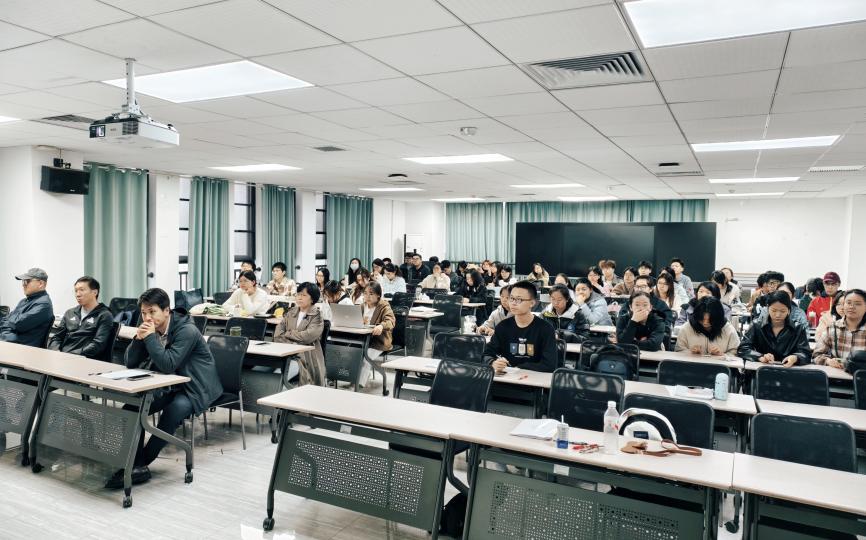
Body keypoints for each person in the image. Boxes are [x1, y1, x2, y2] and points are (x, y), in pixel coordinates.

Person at [109, 288, 222, 488]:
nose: (147, 317)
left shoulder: (186, 330)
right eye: (144, 312)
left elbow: (168, 364)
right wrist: (138, 339)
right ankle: (135, 464)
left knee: (173, 411)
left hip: (194, 386)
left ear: (167, 310)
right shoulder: (150, 327)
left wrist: (150, 338)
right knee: (133, 408)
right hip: (170, 384)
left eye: (152, 312)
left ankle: (141, 463)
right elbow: (130, 362)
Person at [483, 281, 558, 372]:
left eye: (519, 300)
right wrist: (492, 362)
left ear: (532, 303)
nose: (513, 303)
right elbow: (486, 354)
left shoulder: (546, 329)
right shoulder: (503, 327)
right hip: (507, 377)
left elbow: (549, 364)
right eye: (511, 298)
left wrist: (519, 368)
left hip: (534, 378)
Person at [737, 291, 811, 367]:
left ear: (789, 311)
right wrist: (760, 356)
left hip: (789, 370)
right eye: (774, 310)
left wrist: (795, 358)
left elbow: (806, 353)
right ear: (768, 309)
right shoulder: (757, 325)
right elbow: (743, 348)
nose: (778, 315)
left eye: (782, 311)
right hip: (761, 369)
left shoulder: (798, 328)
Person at [48, 276, 115, 359]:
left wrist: (72, 356)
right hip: (63, 357)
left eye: (82, 290)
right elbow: (57, 337)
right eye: (76, 291)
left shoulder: (104, 315)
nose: (78, 294)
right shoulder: (70, 313)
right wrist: (56, 351)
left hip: (85, 359)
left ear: (95, 292)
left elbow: (98, 344)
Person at [273, 282, 326, 386]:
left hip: (304, 357)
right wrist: (293, 342)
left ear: (312, 299)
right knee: (263, 370)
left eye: (304, 295)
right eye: (298, 294)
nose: (299, 297)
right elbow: (278, 334)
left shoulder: (317, 316)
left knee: (278, 378)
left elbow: (307, 337)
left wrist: (289, 333)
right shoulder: (291, 312)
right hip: (285, 353)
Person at [813, 289, 866, 369]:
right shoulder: (832, 328)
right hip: (837, 375)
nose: (851, 307)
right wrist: (828, 361)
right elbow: (816, 355)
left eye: (857, 304)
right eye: (848, 303)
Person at [0, 268, 54, 347]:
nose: (23, 285)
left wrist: (10, 321)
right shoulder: (24, 301)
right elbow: (6, 320)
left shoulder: (44, 305)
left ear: (40, 284)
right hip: (9, 342)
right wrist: (10, 321)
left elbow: (18, 324)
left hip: (22, 348)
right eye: (23, 281)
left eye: (27, 281)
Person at [675, 297, 740, 356]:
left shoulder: (728, 329)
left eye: (710, 320)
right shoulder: (686, 328)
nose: (705, 323)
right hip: (692, 364)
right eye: (701, 319)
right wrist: (690, 353)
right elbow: (678, 351)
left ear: (718, 318)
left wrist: (722, 355)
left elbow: (736, 353)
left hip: (719, 365)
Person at [361, 282, 396, 361]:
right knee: (352, 356)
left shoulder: (384, 306)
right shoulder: (362, 306)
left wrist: (381, 326)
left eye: (371, 294)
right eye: (365, 293)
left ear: (378, 295)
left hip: (378, 341)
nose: (367, 296)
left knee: (365, 360)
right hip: (363, 339)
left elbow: (391, 321)